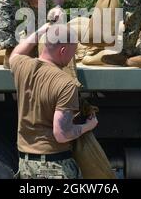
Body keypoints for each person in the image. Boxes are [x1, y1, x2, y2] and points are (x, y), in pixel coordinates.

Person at [9, 23, 98, 179]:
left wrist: (41, 31)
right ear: (63, 51)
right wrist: (87, 126)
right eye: (72, 52)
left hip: (25, 164)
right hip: (54, 167)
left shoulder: (22, 66)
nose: (73, 57)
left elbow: (15, 53)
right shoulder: (66, 83)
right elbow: (61, 134)